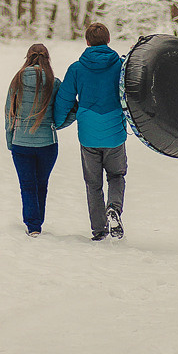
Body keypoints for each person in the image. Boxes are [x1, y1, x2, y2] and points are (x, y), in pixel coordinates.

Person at [54, 22, 127, 241]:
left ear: (87, 42)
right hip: (115, 132)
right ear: (108, 40)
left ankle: (99, 229)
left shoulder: (76, 68)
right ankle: (114, 208)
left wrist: (56, 123)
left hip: (88, 135)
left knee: (93, 182)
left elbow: (65, 99)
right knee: (116, 175)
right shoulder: (121, 66)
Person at [5, 43, 73, 236]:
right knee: (41, 184)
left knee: (27, 186)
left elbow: (8, 114)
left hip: (21, 143)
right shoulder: (54, 82)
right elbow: (71, 109)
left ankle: (33, 226)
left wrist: (11, 140)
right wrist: (56, 125)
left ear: (28, 57)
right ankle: (37, 222)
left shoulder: (16, 81)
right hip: (48, 144)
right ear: (47, 58)